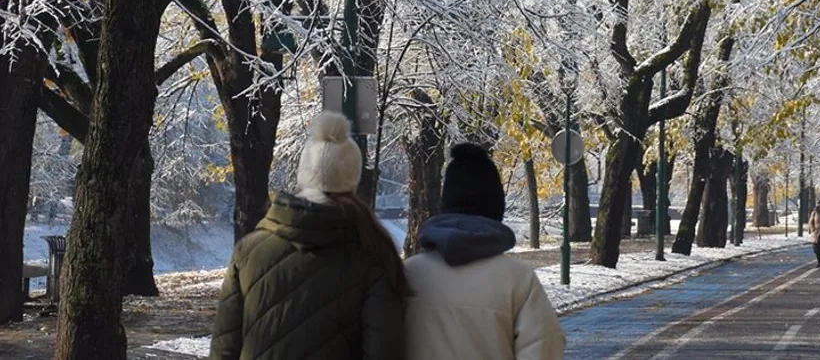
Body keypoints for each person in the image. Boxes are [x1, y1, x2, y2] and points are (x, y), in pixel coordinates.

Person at [210, 112, 407, 360]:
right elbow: (384, 351)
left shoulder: (249, 251)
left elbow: (224, 348)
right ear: (353, 181)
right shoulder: (373, 254)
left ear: (303, 175)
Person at [405, 143, 565, 360]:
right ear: (496, 207)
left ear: (446, 204)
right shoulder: (518, 279)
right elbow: (543, 351)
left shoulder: (408, 274)